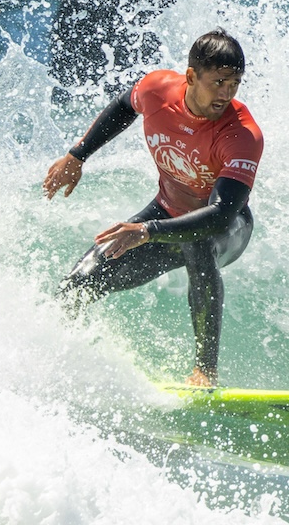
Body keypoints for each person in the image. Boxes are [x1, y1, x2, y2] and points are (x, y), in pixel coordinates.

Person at [43, 28, 264, 387]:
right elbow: (124, 107)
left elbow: (222, 213)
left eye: (235, 84)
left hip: (227, 226)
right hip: (166, 211)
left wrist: (148, 232)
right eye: (219, 82)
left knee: (196, 241)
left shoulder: (241, 135)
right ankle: (51, 352)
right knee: (79, 283)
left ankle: (205, 371)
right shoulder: (157, 89)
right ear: (191, 76)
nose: (226, 94)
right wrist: (77, 155)